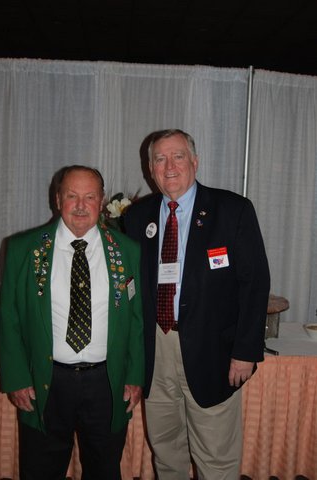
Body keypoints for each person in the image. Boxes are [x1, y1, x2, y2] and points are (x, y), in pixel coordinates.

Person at [124, 129, 270, 480]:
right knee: (166, 450)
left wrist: (246, 350)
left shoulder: (232, 210)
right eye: (160, 159)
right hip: (155, 351)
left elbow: (255, 284)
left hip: (213, 352)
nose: (169, 165)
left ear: (195, 161)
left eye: (177, 156)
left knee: (216, 457)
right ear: (150, 168)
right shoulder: (135, 217)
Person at [0, 165, 144, 480]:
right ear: (57, 199)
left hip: (106, 383)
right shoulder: (23, 249)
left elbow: (136, 320)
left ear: (102, 200)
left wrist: (134, 376)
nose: (80, 205)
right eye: (72, 196)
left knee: (104, 470)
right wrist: (17, 377)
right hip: (46, 382)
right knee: (40, 470)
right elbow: (8, 318)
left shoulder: (127, 251)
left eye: (90, 197)